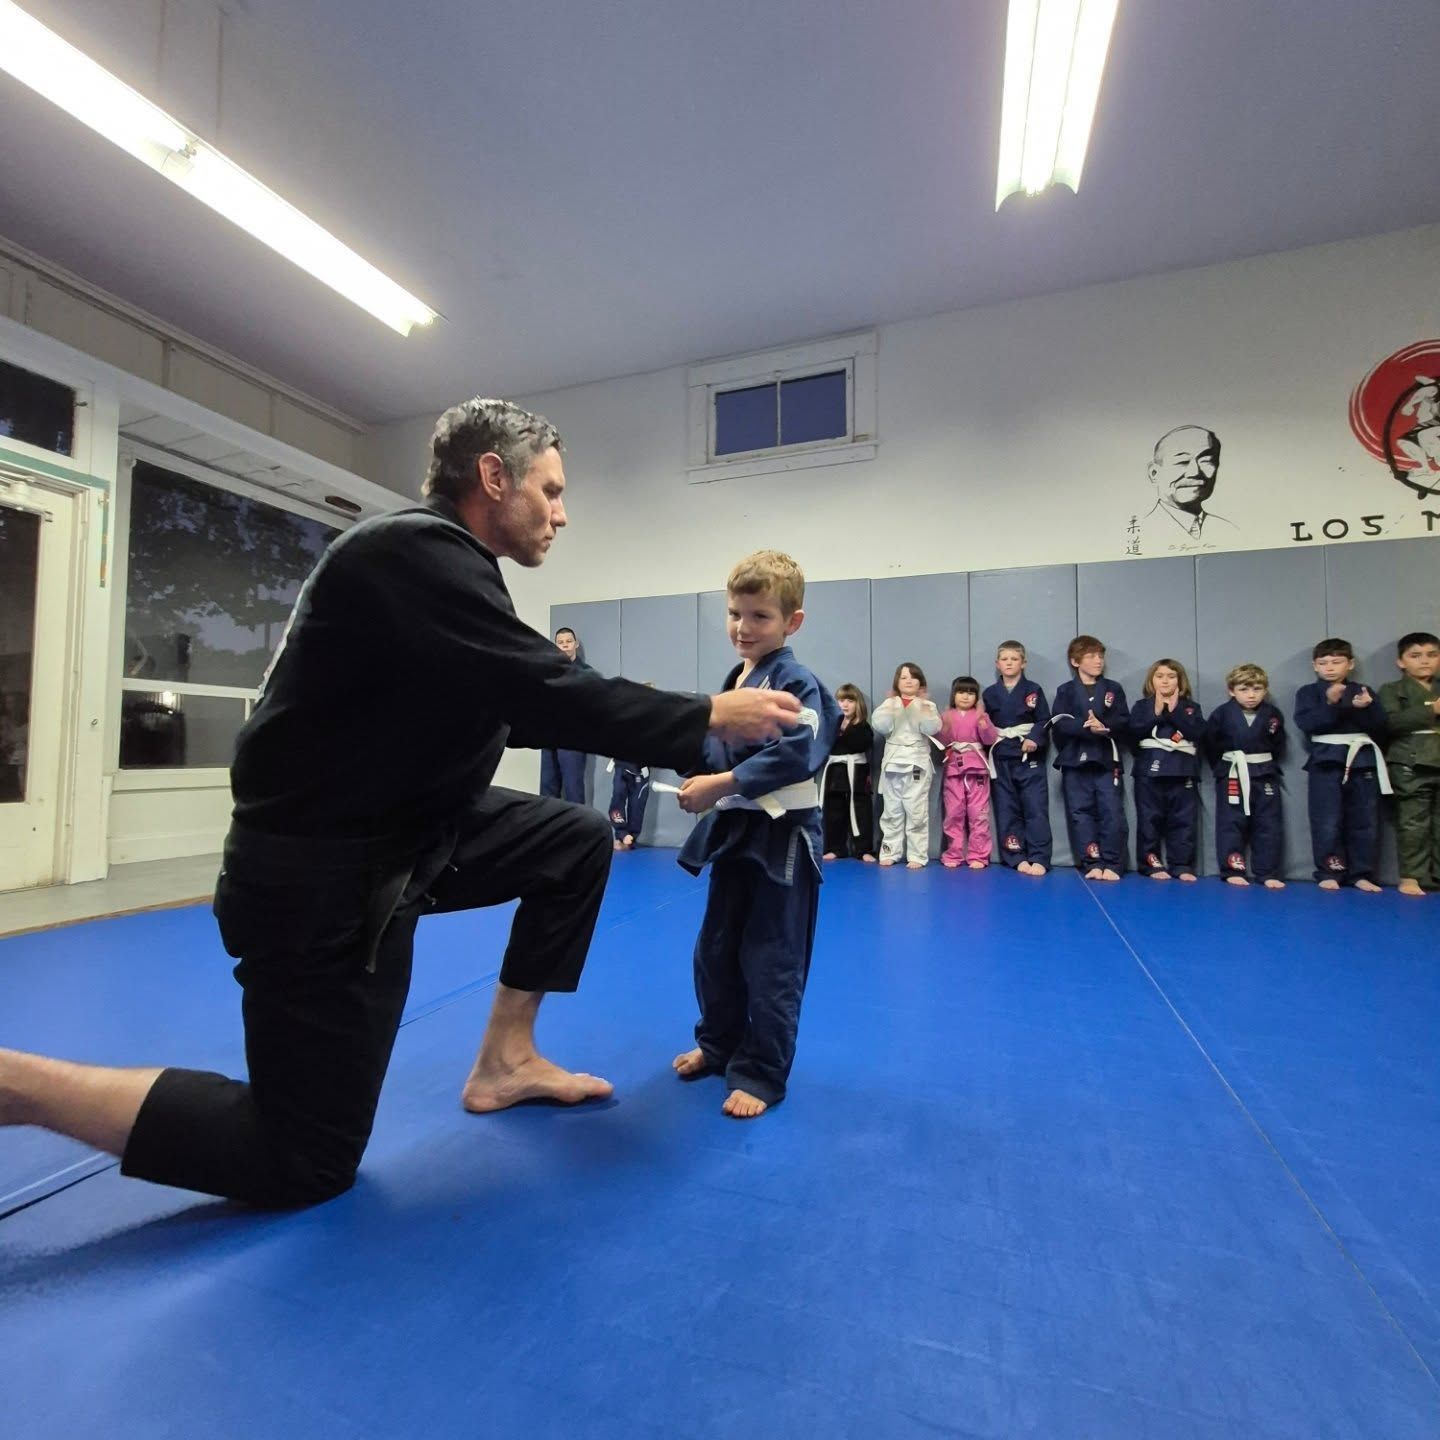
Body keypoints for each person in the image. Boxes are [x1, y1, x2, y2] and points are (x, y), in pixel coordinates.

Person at [0, 398, 802, 1207]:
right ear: (493, 477)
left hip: (410, 830)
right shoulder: (411, 551)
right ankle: (17, 1085)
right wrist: (704, 716)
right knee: (301, 1160)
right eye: (551, 491)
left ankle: (506, 1060)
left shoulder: (450, 571)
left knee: (575, 839)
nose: (562, 514)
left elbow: (513, 705)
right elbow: (539, 687)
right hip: (319, 880)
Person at [671, 550, 838, 1119]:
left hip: (782, 842)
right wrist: (691, 765)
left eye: (760, 616)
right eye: (735, 613)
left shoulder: (798, 681)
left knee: (771, 959)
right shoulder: (736, 680)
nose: (743, 627)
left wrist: (723, 783)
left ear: (793, 621)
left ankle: (763, 1072)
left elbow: (800, 751)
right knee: (715, 951)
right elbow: (716, 742)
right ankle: (718, 1046)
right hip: (735, 837)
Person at [1293, 638, 1390, 892]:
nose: (1330, 668)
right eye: (1323, 663)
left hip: (1362, 759)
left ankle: (1362, 872)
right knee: (1326, 819)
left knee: (1365, 819)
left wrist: (1364, 708)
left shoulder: (1363, 690)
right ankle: (1329, 870)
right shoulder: (1307, 693)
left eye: (1337, 662)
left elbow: (1380, 726)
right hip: (1325, 759)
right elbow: (1307, 724)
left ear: (1350, 664)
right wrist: (1331, 704)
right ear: (1315, 666)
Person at [1051, 635, 1130, 881]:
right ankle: (1092, 861)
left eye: (1100, 656)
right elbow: (1058, 724)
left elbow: (1124, 721)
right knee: (1080, 812)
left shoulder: (1113, 689)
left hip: (1106, 758)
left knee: (1112, 811)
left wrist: (1104, 726)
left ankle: (1113, 863)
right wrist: (1085, 726)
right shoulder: (1065, 691)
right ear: (1076, 661)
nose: (1098, 661)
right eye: (1091, 656)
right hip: (1075, 759)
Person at [1205, 662, 1286, 888]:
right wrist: (1223, 768)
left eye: (1257, 689)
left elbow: (1278, 745)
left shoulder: (1272, 715)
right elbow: (1211, 745)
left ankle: (1268, 872)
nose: (1251, 695)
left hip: (1264, 772)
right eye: (1244, 689)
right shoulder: (1221, 714)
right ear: (1231, 690)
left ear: (1265, 690)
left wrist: (1264, 763)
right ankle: (1233, 868)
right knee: (1231, 822)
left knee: (1268, 823)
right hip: (1232, 772)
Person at [1128, 658, 1206, 881]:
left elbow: (1199, 734)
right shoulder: (1142, 707)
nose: (1165, 681)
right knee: (1149, 818)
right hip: (1149, 769)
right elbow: (1132, 734)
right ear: (1151, 681)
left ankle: (1182, 864)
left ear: (1180, 681)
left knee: (1183, 820)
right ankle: (1150, 862)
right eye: (1160, 676)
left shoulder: (1191, 708)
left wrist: (1174, 713)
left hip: (1183, 770)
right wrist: (1157, 713)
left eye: (1171, 676)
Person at [1377, 631, 1440, 897]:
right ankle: (1411, 876)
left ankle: (1437, 875)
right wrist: (1431, 711)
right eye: (1415, 656)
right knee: (1413, 823)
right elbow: (1389, 724)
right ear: (1401, 662)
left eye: (1432, 655)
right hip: (1409, 762)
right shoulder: (1393, 690)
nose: (1424, 661)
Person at [983, 641, 1052, 876]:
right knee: (1006, 808)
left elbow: (1044, 720)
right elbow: (985, 725)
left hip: (1028, 755)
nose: (1009, 663)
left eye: (1014, 659)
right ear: (997, 664)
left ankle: (1039, 857)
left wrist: (1034, 738)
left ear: (1023, 663)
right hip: (1002, 755)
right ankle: (1015, 856)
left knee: (1035, 808)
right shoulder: (990, 694)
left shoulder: (1033, 689)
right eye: (1005, 659)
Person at [873, 662, 941, 869]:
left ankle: (917, 855)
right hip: (893, 761)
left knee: (916, 810)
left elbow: (933, 728)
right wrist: (891, 710)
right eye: (903, 677)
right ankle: (890, 851)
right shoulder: (889, 703)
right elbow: (880, 726)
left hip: (917, 762)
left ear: (920, 681)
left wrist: (922, 709)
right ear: (897, 682)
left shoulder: (927, 705)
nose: (909, 680)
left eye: (913, 677)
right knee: (892, 810)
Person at [1133, 426, 1235, 553]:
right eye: (1182, 461)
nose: (1194, 472)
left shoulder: (1231, 531)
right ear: (1154, 473)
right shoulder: (1140, 534)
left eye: (1206, 461)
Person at [937, 676, 999, 870]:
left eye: (971, 693)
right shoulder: (946, 715)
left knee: (978, 813)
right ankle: (953, 853)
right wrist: (944, 728)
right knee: (954, 812)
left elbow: (990, 739)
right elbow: (941, 740)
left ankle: (979, 855)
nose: (965, 696)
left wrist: (984, 723)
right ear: (954, 695)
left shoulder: (981, 716)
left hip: (977, 767)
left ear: (976, 697)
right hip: (954, 767)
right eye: (961, 692)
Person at [821, 682, 876, 862]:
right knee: (834, 813)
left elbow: (860, 744)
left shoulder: (863, 726)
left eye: (850, 701)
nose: (845, 705)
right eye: (841, 700)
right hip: (835, 773)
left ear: (857, 704)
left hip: (857, 773)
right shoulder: (829, 725)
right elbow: (824, 745)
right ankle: (836, 848)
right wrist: (837, 726)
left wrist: (845, 729)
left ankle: (863, 849)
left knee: (861, 812)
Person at [539, 627, 589, 804]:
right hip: (549, 736)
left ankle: (578, 831)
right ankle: (548, 830)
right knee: (547, 789)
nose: (565, 646)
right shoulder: (548, 671)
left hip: (572, 739)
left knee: (573, 789)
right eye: (560, 643)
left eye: (568, 642)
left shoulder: (585, 673)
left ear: (575, 644)